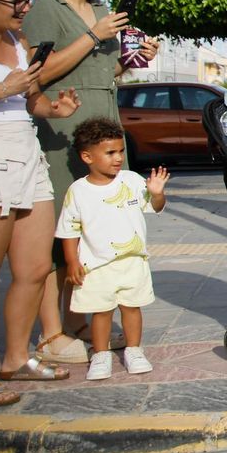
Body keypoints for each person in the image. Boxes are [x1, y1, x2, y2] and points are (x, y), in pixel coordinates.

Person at [24, 0, 156, 362]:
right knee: (57, 235)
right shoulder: (47, 7)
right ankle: (50, 334)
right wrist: (94, 34)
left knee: (98, 231)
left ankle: (79, 320)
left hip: (104, 125)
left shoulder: (101, 11)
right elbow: (39, 74)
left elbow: (104, 71)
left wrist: (132, 60)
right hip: (62, 131)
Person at [0, 0, 83, 396]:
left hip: (28, 152)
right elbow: (5, 92)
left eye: (27, 0)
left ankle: (15, 359)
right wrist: (3, 87)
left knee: (32, 267)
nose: (24, 9)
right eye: (15, 2)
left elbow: (28, 100)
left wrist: (52, 108)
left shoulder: (19, 44)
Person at [56, 118, 167, 381]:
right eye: (110, 153)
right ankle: (101, 354)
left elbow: (156, 207)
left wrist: (157, 193)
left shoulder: (131, 180)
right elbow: (69, 229)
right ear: (87, 156)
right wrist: (72, 262)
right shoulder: (78, 191)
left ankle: (134, 350)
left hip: (133, 262)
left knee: (132, 308)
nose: (118, 158)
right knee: (101, 312)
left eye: (120, 151)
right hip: (96, 266)